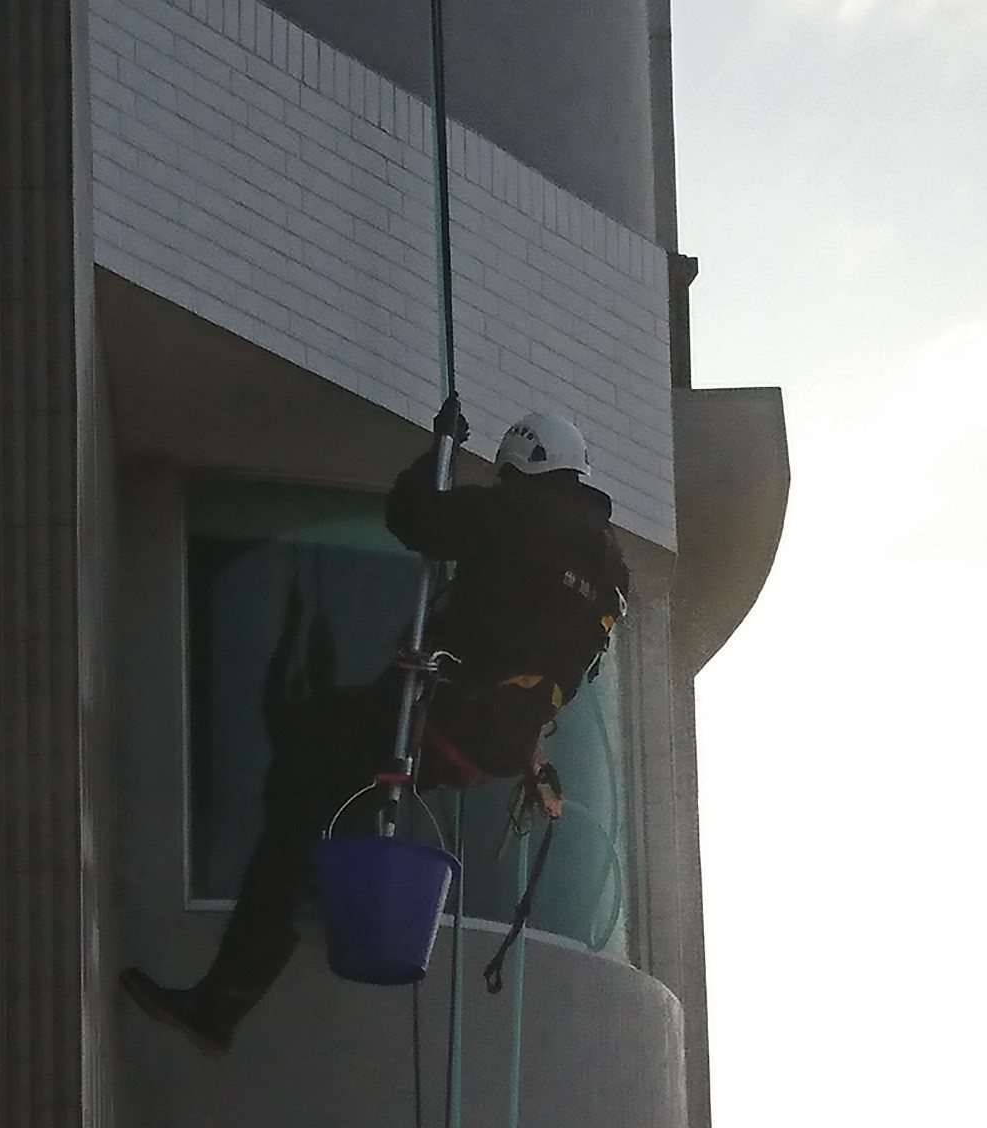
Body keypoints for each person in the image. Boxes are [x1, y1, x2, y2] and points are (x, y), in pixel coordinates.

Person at [121, 408, 630, 1050]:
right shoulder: (612, 569)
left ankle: (225, 996)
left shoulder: (520, 516)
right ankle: (328, 868)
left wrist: (436, 450)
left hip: (444, 710)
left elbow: (414, 519)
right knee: (336, 765)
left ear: (524, 467)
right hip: (498, 741)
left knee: (304, 762)